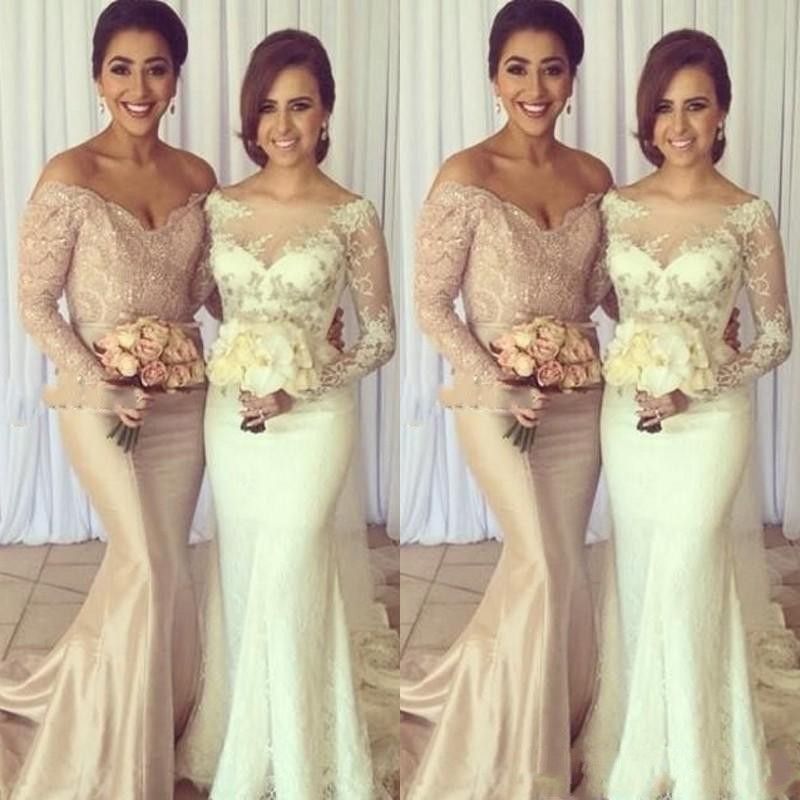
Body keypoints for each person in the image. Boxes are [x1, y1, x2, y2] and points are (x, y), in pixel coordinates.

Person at [175, 29, 399, 800]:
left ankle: (305, 756)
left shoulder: (352, 215)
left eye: (300, 106)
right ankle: (247, 733)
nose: (283, 124)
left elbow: (382, 336)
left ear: (326, 112)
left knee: (294, 561)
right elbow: (205, 298)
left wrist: (300, 381)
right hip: (234, 418)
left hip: (314, 418)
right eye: (268, 107)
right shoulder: (221, 207)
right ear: (251, 115)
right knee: (246, 569)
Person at [1, 1, 217, 798]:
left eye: (156, 68)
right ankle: (122, 758)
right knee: (149, 562)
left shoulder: (198, 177)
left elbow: (210, 292)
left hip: (183, 403)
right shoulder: (69, 176)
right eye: (122, 68)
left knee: (162, 564)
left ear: (175, 79)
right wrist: (101, 379)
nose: (139, 86)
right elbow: (36, 305)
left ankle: (151, 716)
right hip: (97, 402)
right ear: (98, 77)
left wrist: (284, 315)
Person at [579, 29, 800, 800]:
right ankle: (647, 745)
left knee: (688, 567)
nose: (679, 125)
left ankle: (702, 763)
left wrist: (697, 380)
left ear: (722, 112)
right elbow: (600, 299)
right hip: (630, 419)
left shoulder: (747, 215)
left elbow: (777, 336)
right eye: (666, 107)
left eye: (696, 106)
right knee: (644, 571)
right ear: (648, 115)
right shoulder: (616, 207)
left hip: (710, 421)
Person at [401, 2, 614, 797]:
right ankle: (528, 758)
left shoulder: (594, 178)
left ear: (572, 79)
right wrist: (497, 379)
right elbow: (432, 305)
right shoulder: (466, 177)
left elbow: (608, 293)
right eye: (518, 68)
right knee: (544, 559)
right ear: (494, 78)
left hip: (581, 404)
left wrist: (687, 316)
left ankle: (555, 709)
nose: (536, 87)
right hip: (494, 403)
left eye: (552, 69)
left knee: (558, 563)